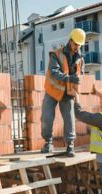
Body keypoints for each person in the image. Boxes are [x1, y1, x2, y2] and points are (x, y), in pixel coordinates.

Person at [40, 28, 86, 157]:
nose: (77, 47)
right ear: (70, 41)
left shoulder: (81, 59)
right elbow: (54, 72)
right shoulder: (56, 54)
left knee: (69, 119)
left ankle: (70, 146)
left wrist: (76, 86)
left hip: (67, 92)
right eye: (76, 43)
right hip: (52, 90)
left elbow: (79, 74)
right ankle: (48, 142)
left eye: (79, 44)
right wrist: (69, 78)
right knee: (47, 117)